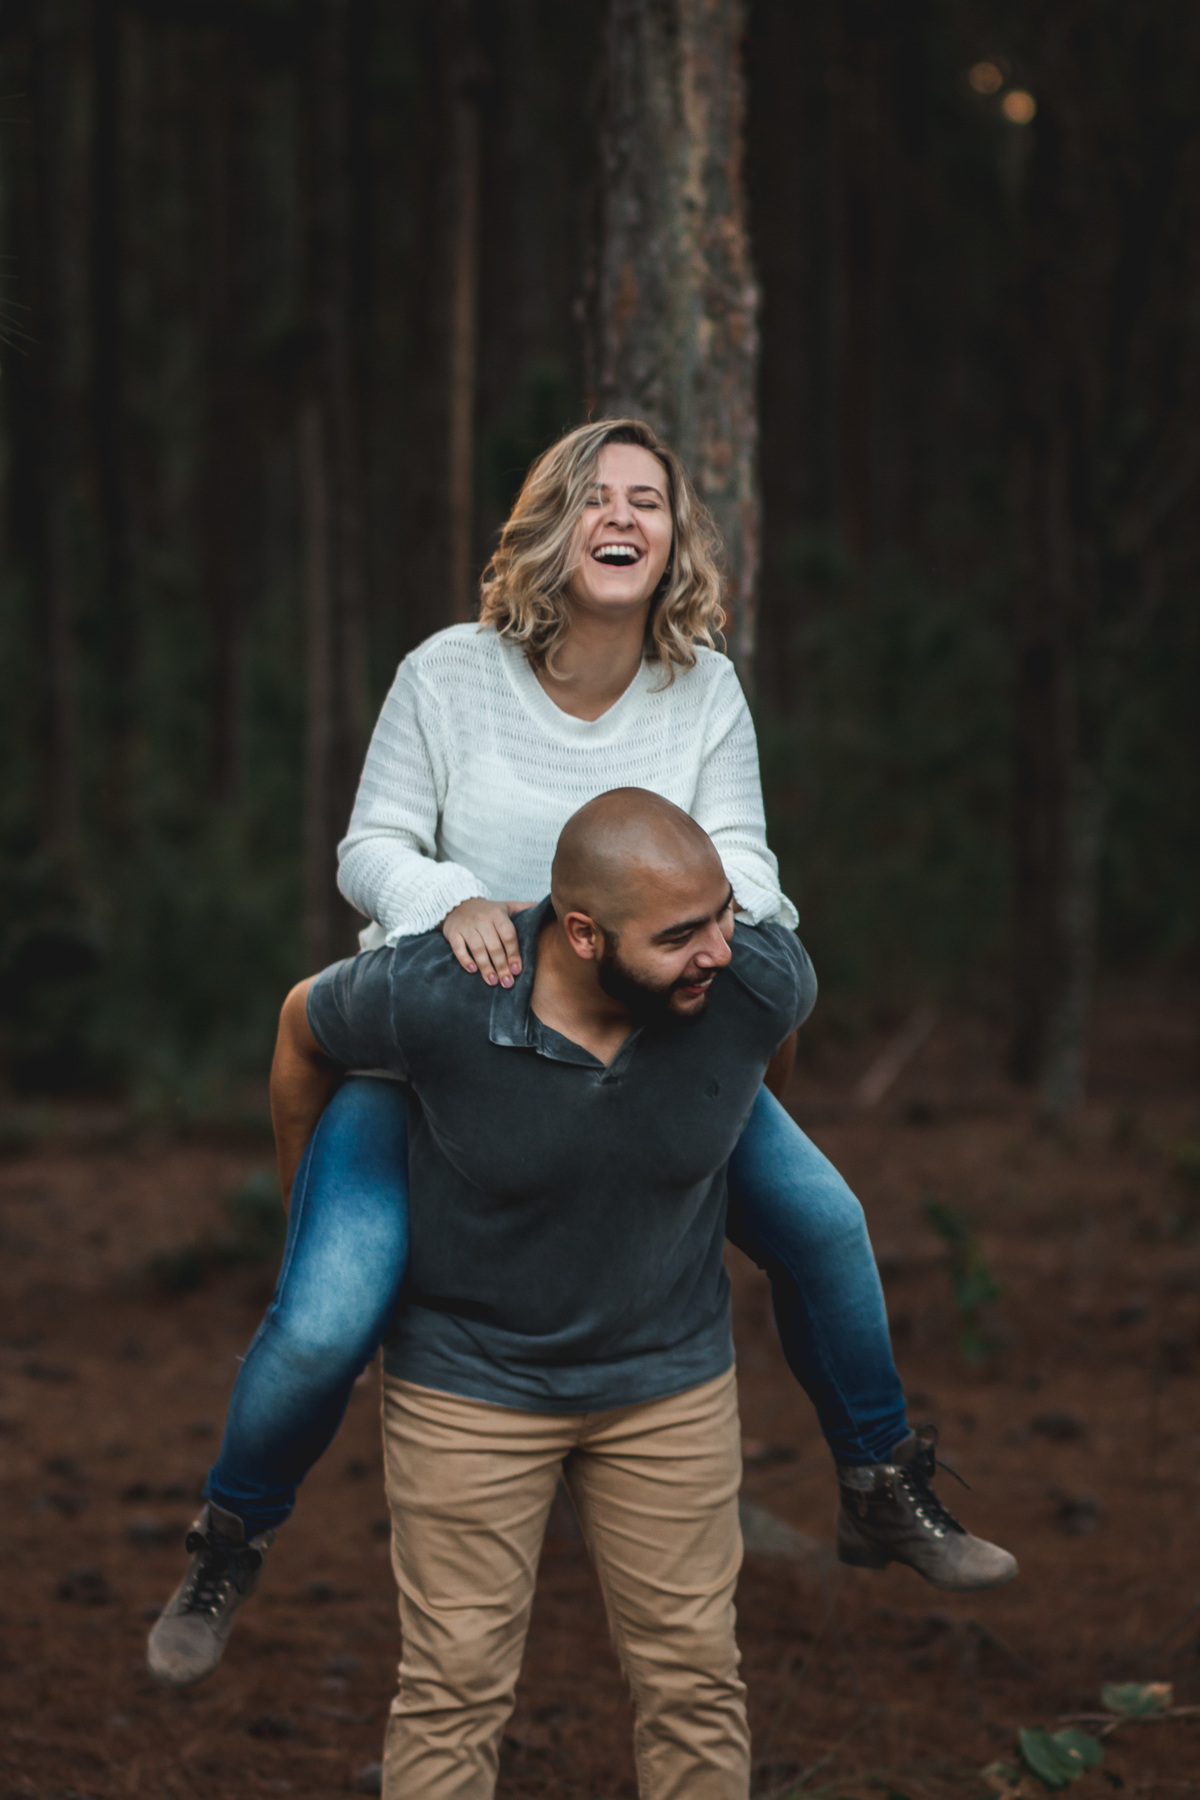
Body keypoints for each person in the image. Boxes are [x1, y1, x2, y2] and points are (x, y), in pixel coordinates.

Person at [147, 420, 1015, 1692]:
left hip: (650, 1035)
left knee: (826, 1221)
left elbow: (749, 860)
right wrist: (451, 900)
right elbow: (368, 844)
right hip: (441, 1044)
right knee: (326, 1319)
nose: (625, 516)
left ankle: (881, 1480)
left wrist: (734, 936)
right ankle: (232, 1534)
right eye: (596, 496)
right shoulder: (447, 673)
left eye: (650, 500)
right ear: (552, 526)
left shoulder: (702, 687)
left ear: (672, 539)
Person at [272, 792, 966, 1799]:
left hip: (668, 1385)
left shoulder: (755, 979)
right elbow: (303, 1025)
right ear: (584, 933)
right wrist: (311, 1224)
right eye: (681, 934)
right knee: (453, 1689)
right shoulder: (437, 995)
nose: (719, 951)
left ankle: (882, 1479)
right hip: (468, 1385)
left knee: (695, 1682)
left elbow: (762, 1049)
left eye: (723, 914)